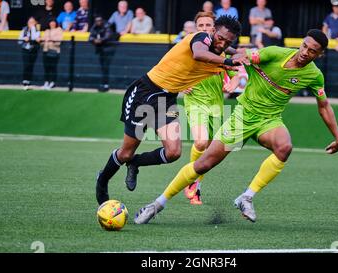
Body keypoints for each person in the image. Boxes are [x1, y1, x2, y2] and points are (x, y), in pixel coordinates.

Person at [134, 29, 338, 225]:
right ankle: (157, 204)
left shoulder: (314, 75)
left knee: (285, 147)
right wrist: (230, 54)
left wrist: (337, 137)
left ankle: (246, 197)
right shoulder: (274, 53)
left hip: (269, 120)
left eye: (312, 51)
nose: (305, 52)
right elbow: (243, 57)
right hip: (242, 117)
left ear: (320, 54)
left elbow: (324, 106)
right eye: (304, 46)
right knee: (203, 165)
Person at [94, 15, 249, 206]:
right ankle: (102, 180)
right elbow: (199, 54)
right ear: (212, 32)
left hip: (167, 100)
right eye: (220, 38)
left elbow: (228, 50)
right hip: (145, 93)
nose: (222, 43)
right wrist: (231, 61)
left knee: (173, 152)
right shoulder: (201, 38)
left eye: (228, 42)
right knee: (125, 152)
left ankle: (136, 163)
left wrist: (238, 54)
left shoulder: (220, 50)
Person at [183, 11, 248, 205]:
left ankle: (196, 187)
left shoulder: (223, 48)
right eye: (200, 26)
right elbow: (171, 70)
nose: (203, 29)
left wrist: (236, 80)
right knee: (201, 142)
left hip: (216, 103)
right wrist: (181, 84)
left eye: (207, 26)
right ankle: (192, 181)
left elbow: (240, 65)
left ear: (215, 28)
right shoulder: (190, 46)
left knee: (210, 150)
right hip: (194, 100)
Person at [89, 16, 120, 92]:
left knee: (106, 67)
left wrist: (100, 40)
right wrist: (94, 40)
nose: (98, 22)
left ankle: (106, 85)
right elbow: (90, 37)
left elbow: (107, 36)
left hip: (109, 49)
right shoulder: (95, 26)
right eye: (97, 21)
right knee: (103, 68)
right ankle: (103, 84)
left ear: (102, 20)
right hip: (100, 51)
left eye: (99, 20)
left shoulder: (106, 26)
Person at [18, 17, 41, 90]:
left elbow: (35, 37)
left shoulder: (37, 29)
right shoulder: (24, 29)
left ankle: (29, 80)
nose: (31, 23)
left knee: (31, 65)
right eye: (30, 22)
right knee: (26, 64)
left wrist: (33, 29)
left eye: (33, 22)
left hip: (33, 49)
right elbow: (19, 40)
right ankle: (25, 80)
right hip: (26, 49)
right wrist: (24, 39)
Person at [42, 18, 63, 90]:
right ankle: (46, 82)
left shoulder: (59, 30)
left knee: (53, 67)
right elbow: (43, 41)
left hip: (54, 50)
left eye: (53, 22)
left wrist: (50, 39)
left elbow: (59, 41)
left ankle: (53, 82)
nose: (52, 23)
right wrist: (41, 40)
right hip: (46, 50)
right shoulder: (46, 31)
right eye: (51, 22)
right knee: (46, 67)